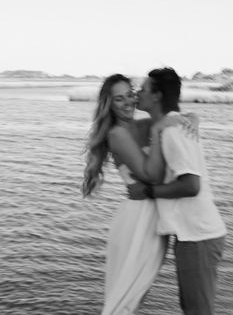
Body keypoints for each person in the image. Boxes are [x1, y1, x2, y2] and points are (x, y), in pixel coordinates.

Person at [82, 74, 198, 314]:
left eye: (130, 95)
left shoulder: (141, 125)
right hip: (136, 220)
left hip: (155, 219)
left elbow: (173, 119)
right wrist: (157, 133)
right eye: (118, 99)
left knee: (137, 293)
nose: (128, 103)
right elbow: (152, 175)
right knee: (123, 296)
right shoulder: (117, 134)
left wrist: (193, 118)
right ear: (109, 104)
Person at [133, 67, 227, 315]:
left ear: (157, 96)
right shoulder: (170, 125)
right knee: (192, 308)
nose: (138, 93)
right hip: (192, 234)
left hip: (199, 235)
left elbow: (191, 185)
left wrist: (150, 191)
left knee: (197, 311)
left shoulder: (173, 130)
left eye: (143, 89)